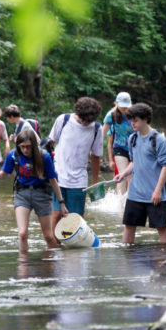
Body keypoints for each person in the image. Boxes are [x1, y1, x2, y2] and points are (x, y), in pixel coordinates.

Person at [0, 131, 68, 252]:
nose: (25, 150)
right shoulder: (13, 156)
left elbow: (53, 180)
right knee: (22, 233)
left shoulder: (44, 157)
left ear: (34, 145)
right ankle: (24, 266)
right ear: (18, 145)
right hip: (22, 194)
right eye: (23, 147)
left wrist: (61, 203)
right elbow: (4, 175)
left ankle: (53, 265)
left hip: (42, 195)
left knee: (48, 236)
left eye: (28, 146)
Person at [114, 103, 166, 244]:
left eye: (136, 120)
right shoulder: (132, 138)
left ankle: (164, 261)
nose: (132, 123)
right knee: (129, 227)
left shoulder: (159, 139)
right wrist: (123, 173)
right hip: (135, 193)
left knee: (162, 228)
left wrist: (158, 191)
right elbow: (134, 162)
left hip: (156, 195)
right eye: (131, 120)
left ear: (145, 119)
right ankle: (128, 261)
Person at [47, 97, 103, 235]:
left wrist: (95, 182)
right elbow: (49, 144)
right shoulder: (64, 120)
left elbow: (96, 156)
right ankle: (55, 248)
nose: (85, 124)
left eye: (88, 121)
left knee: (77, 218)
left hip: (79, 179)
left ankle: (74, 248)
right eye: (83, 120)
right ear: (77, 113)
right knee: (57, 213)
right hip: (57, 175)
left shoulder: (96, 128)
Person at [102, 92, 134, 195]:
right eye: (122, 106)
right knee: (122, 175)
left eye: (126, 106)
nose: (125, 108)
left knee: (133, 177)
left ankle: (130, 203)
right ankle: (119, 206)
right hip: (120, 148)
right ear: (116, 103)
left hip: (134, 148)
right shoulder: (111, 115)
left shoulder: (135, 113)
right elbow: (102, 135)